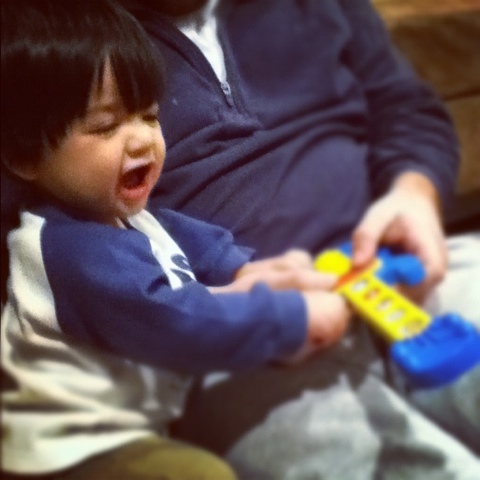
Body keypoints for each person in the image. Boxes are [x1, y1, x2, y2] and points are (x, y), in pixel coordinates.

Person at [113, 0, 480, 478]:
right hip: (231, 332)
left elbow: (405, 107)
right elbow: (61, 235)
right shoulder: (70, 40)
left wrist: (415, 192)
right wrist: (214, 307)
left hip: (395, 262)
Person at [0, 1, 354, 478]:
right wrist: (293, 319)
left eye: (148, 116)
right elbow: (180, 325)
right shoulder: (70, 254)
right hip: (73, 449)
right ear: (25, 156)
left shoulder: (118, 215)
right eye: (105, 126)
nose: (142, 140)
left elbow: (190, 241)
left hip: (136, 417)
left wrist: (247, 269)